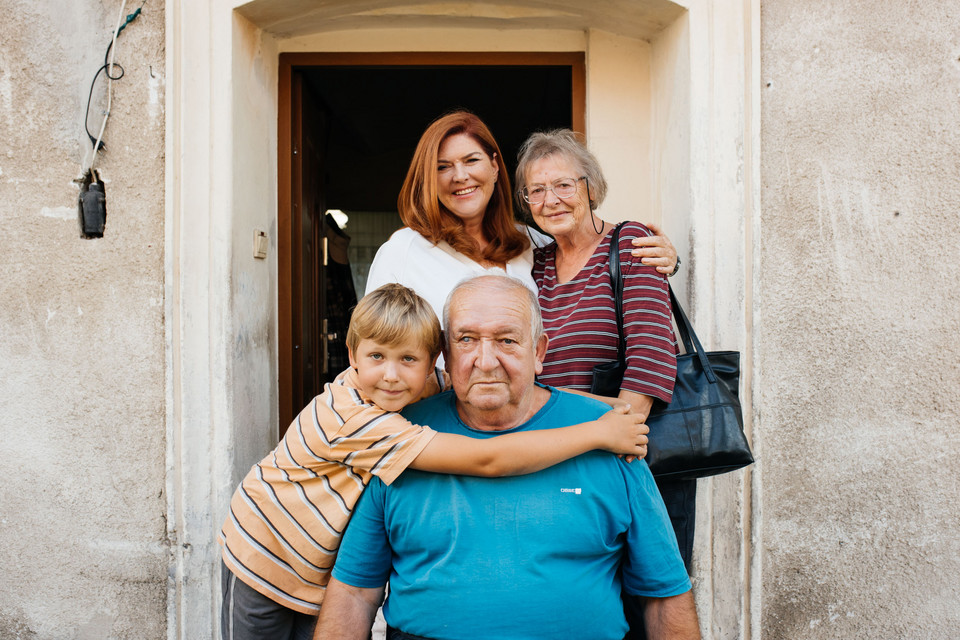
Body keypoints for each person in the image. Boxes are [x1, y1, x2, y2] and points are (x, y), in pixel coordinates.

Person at [218, 283, 649, 640]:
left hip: (313, 566)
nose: (391, 374)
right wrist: (595, 433)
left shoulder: (420, 385)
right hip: (266, 558)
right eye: (376, 357)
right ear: (351, 356)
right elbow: (488, 459)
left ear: (433, 363)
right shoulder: (353, 418)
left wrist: (608, 407)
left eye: (407, 359)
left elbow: (530, 388)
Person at [314, 275, 699, 640]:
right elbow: (354, 592)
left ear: (539, 352)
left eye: (507, 341)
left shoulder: (611, 436)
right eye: (466, 339)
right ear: (444, 354)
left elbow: (663, 593)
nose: (485, 360)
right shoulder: (399, 438)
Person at [515, 129, 695, 635]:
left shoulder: (630, 243)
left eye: (563, 185)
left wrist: (568, 415)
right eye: (536, 191)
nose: (550, 200)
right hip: (566, 456)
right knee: (586, 603)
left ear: (590, 186)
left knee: (647, 603)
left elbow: (651, 362)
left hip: (636, 456)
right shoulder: (539, 263)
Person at [364, 110, 679, 331]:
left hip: (538, 419)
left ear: (495, 166)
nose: (460, 176)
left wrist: (660, 259)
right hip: (444, 420)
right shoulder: (403, 252)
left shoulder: (533, 242)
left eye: (471, 160)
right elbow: (373, 351)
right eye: (442, 167)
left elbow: (588, 253)